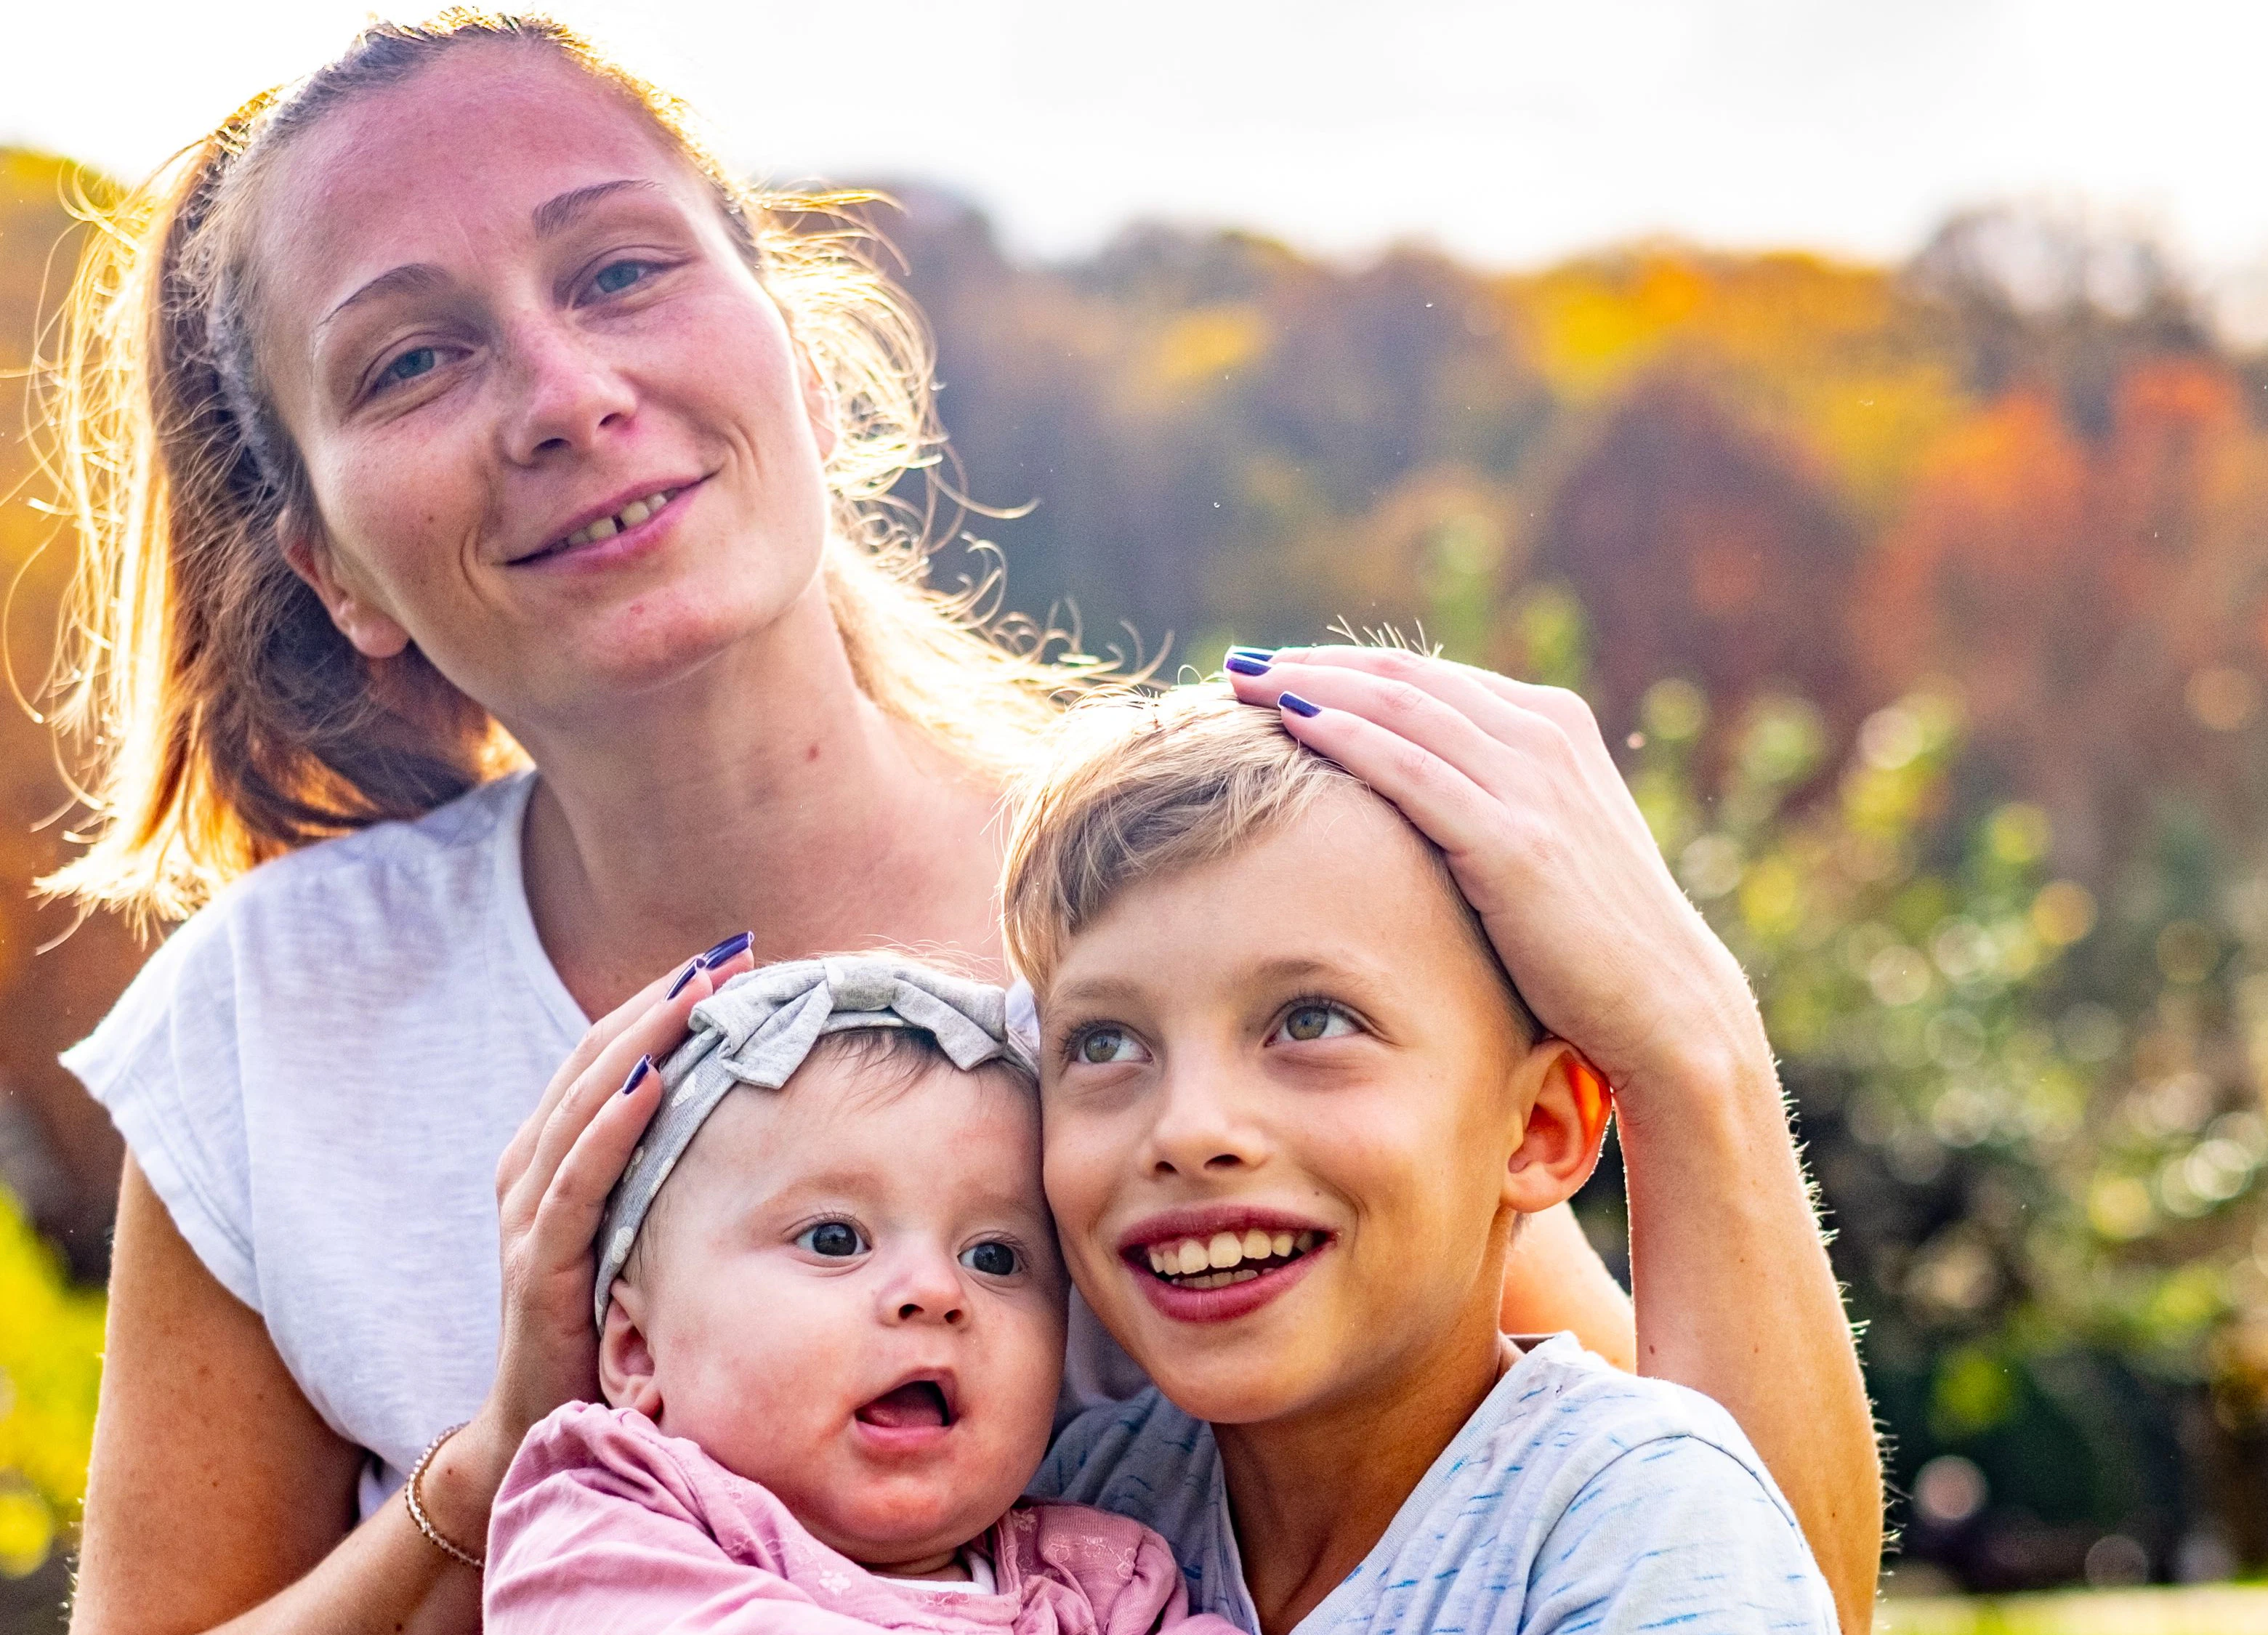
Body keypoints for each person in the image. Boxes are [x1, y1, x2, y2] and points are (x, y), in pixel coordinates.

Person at [50, 15, 1877, 1634]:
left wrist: (1692, 1045)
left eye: (615, 273)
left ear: (798, 356)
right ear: (331, 570)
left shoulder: (1175, 941)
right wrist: (500, 1466)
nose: (565, 395)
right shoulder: (279, 1021)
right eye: (409, 362)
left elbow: (1715, 1566)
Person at [1006, 687, 1836, 1634]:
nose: (1189, 1129)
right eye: (1106, 1043)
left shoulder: (1645, 1516)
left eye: (1310, 1021)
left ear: (1537, 1130)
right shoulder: (1075, 1503)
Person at [487, 955, 1241, 1634]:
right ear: (635, 1351)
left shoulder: (1103, 1580)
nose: (937, 1292)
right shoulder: (603, 1517)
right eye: (835, 1240)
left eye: (994, 1256)